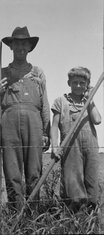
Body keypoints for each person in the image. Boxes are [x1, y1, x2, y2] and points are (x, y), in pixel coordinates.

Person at [0, 26, 50, 211]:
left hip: (34, 123)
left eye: (25, 43)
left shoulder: (38, 72)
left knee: (34, 171)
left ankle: (33, 216)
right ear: (11, 46)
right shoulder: (0, 73)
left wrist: (46, 131)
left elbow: (44, 103)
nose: (21, 47)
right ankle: (15, 214)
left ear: (30, 47)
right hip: (9, 123)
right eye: (17, 43)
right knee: (12, 171)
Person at [50, 67, 101, 213]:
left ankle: (91, 219)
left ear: (87, 85)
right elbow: (54, 126)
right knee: (73, 187)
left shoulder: (88, 102)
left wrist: (90, 98)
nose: (78, 85)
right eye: (75, 82)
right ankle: (73, 220)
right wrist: (54, 146)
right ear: (69, 83)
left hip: (91, 148)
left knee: (92, 185)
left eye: (82, 83)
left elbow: (97, 120)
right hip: (71, 147)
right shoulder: (61, 101)